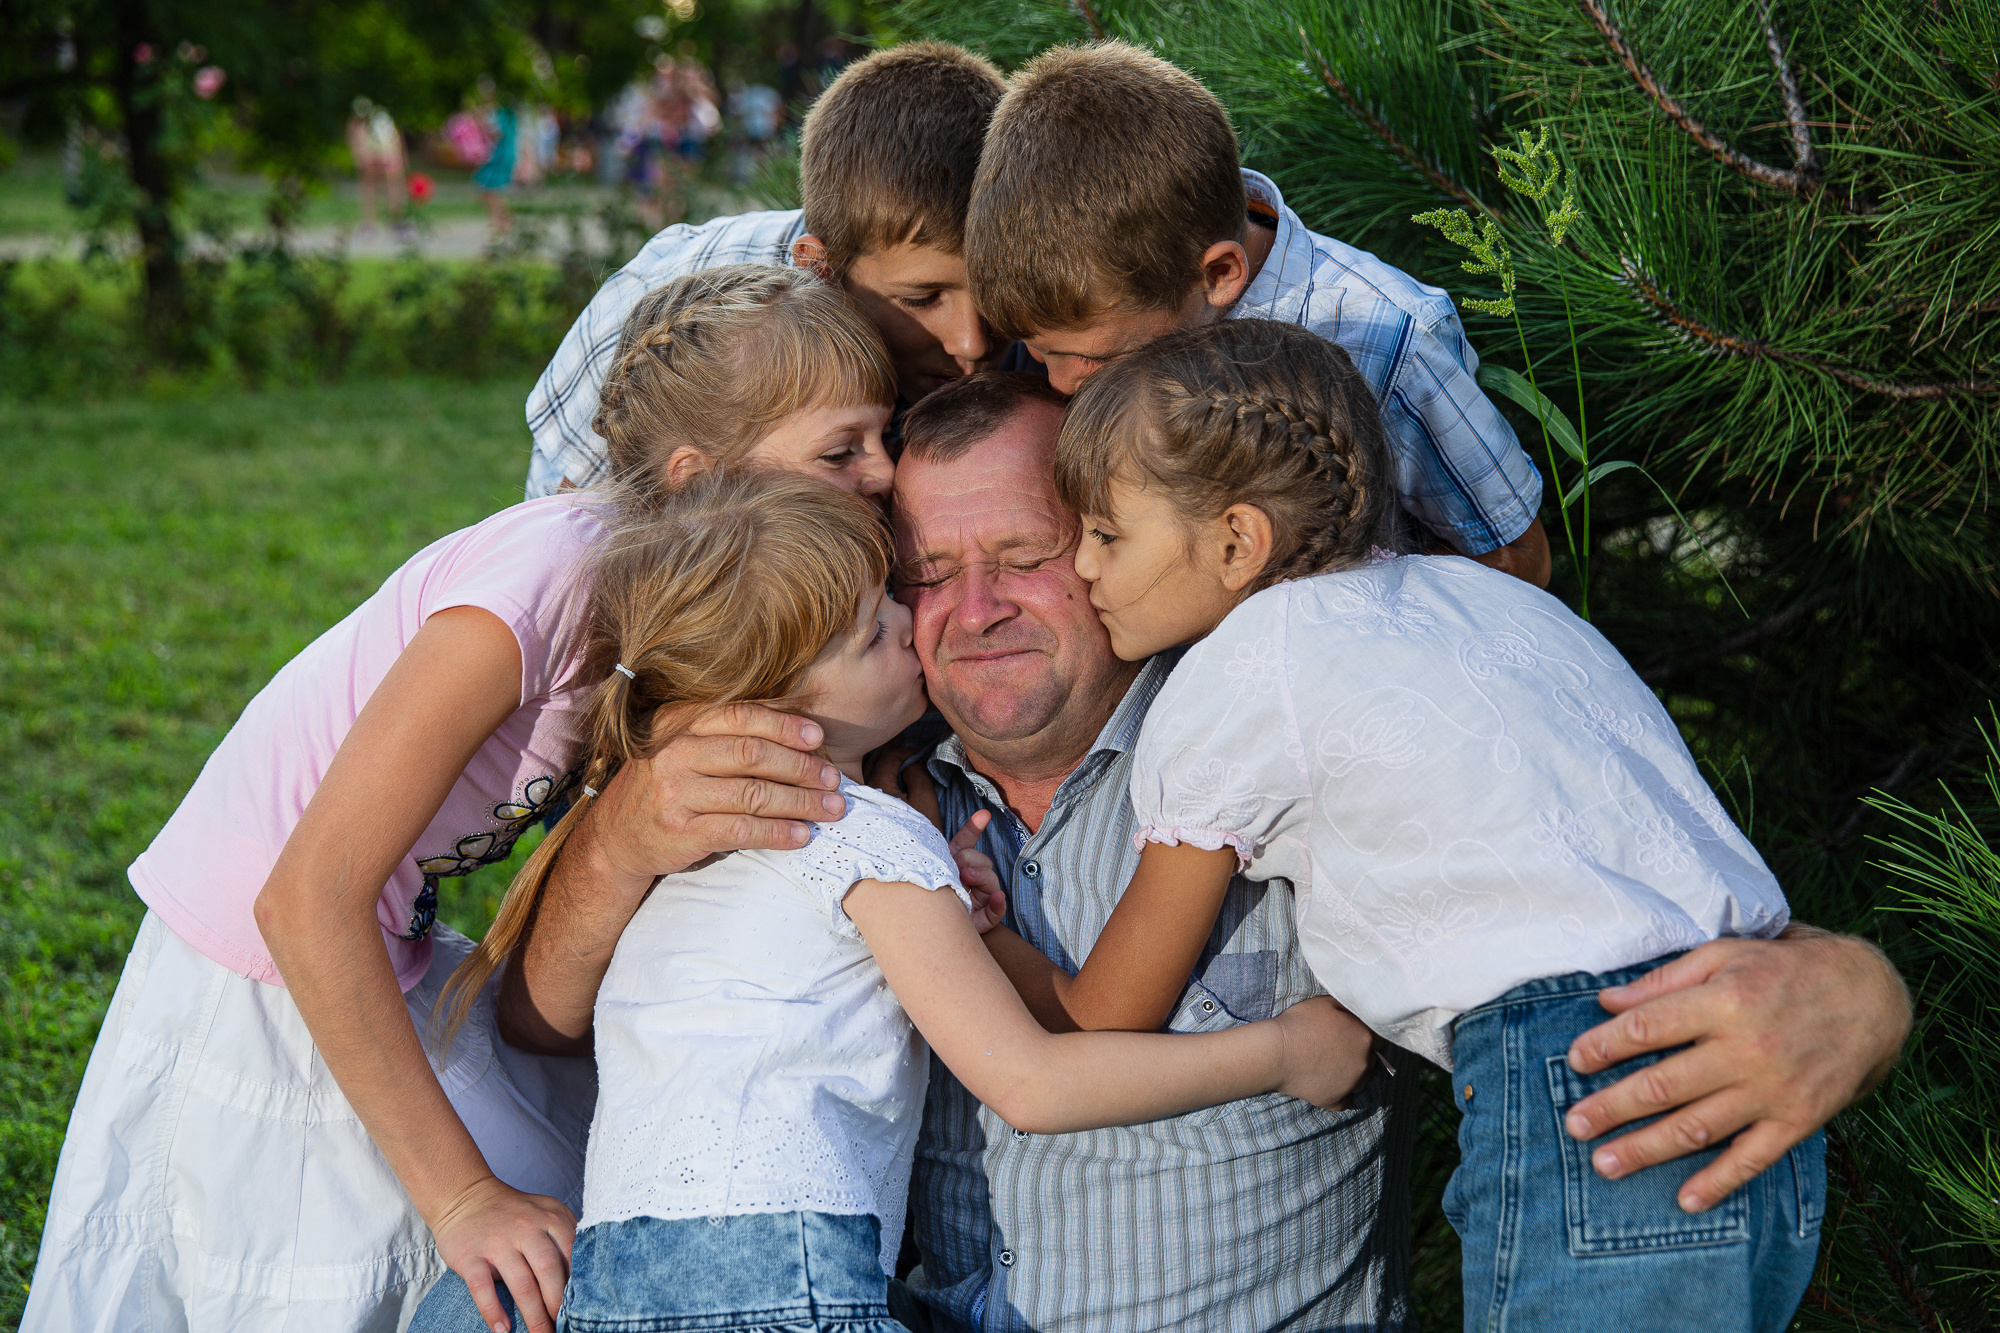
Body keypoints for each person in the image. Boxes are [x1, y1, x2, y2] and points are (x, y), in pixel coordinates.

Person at [499, 371, 1909, 1332]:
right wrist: (619, 839)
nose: (973, 608)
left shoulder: (1287, 745)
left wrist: (1854, 985)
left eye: (1039, 550)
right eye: (924, 576)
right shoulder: (829, 778)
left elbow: (1564, 859)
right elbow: (537, 1022)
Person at [20, 265, 898, 1333]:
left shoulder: (675, 611)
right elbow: (304, 897)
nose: (883, 475)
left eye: (881, 441)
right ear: (694, 476)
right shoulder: (546, 574)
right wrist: (462, 1196)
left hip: (379, 948)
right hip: (265, 979)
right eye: (841, 451)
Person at [409, 469, 1373, 1333]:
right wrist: (1285, 1051)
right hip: (783, 1282)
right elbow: (1031, 1084)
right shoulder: (869, 834)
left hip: (618, 1278)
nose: (914, 629)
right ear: (781, 708)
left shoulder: (686, 847)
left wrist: (948, 890)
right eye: (875, 629)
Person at [1027, 317, 1824, 1329]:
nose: (1083, 569)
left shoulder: (1238, 668)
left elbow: (1106, 1012)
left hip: (1585, 1080)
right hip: (1753, 1053)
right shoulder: (1490, 603)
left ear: (1235, 541)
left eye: (1105, 533)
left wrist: (979, 932)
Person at [964, 40, 1553, 588]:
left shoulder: (1382, 341)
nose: (1060, 383)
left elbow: (1514, 558)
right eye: (1040, 352)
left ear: (1219, 275)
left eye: (1097, 357)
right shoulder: (1136, 298)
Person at [525, 41, 1008, 498]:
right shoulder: (679, 324)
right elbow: (571, 546)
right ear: (820, 269)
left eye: (999, 292)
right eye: (921, 299)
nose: (974, 342)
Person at [346, 97, 407, 232]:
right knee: (372, 188)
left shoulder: (381, 115)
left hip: (386, 153)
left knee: (391, 187)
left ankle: (394, 220)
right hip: (376, 155)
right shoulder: (364, 119)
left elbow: (394, 136)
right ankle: (371, 222)